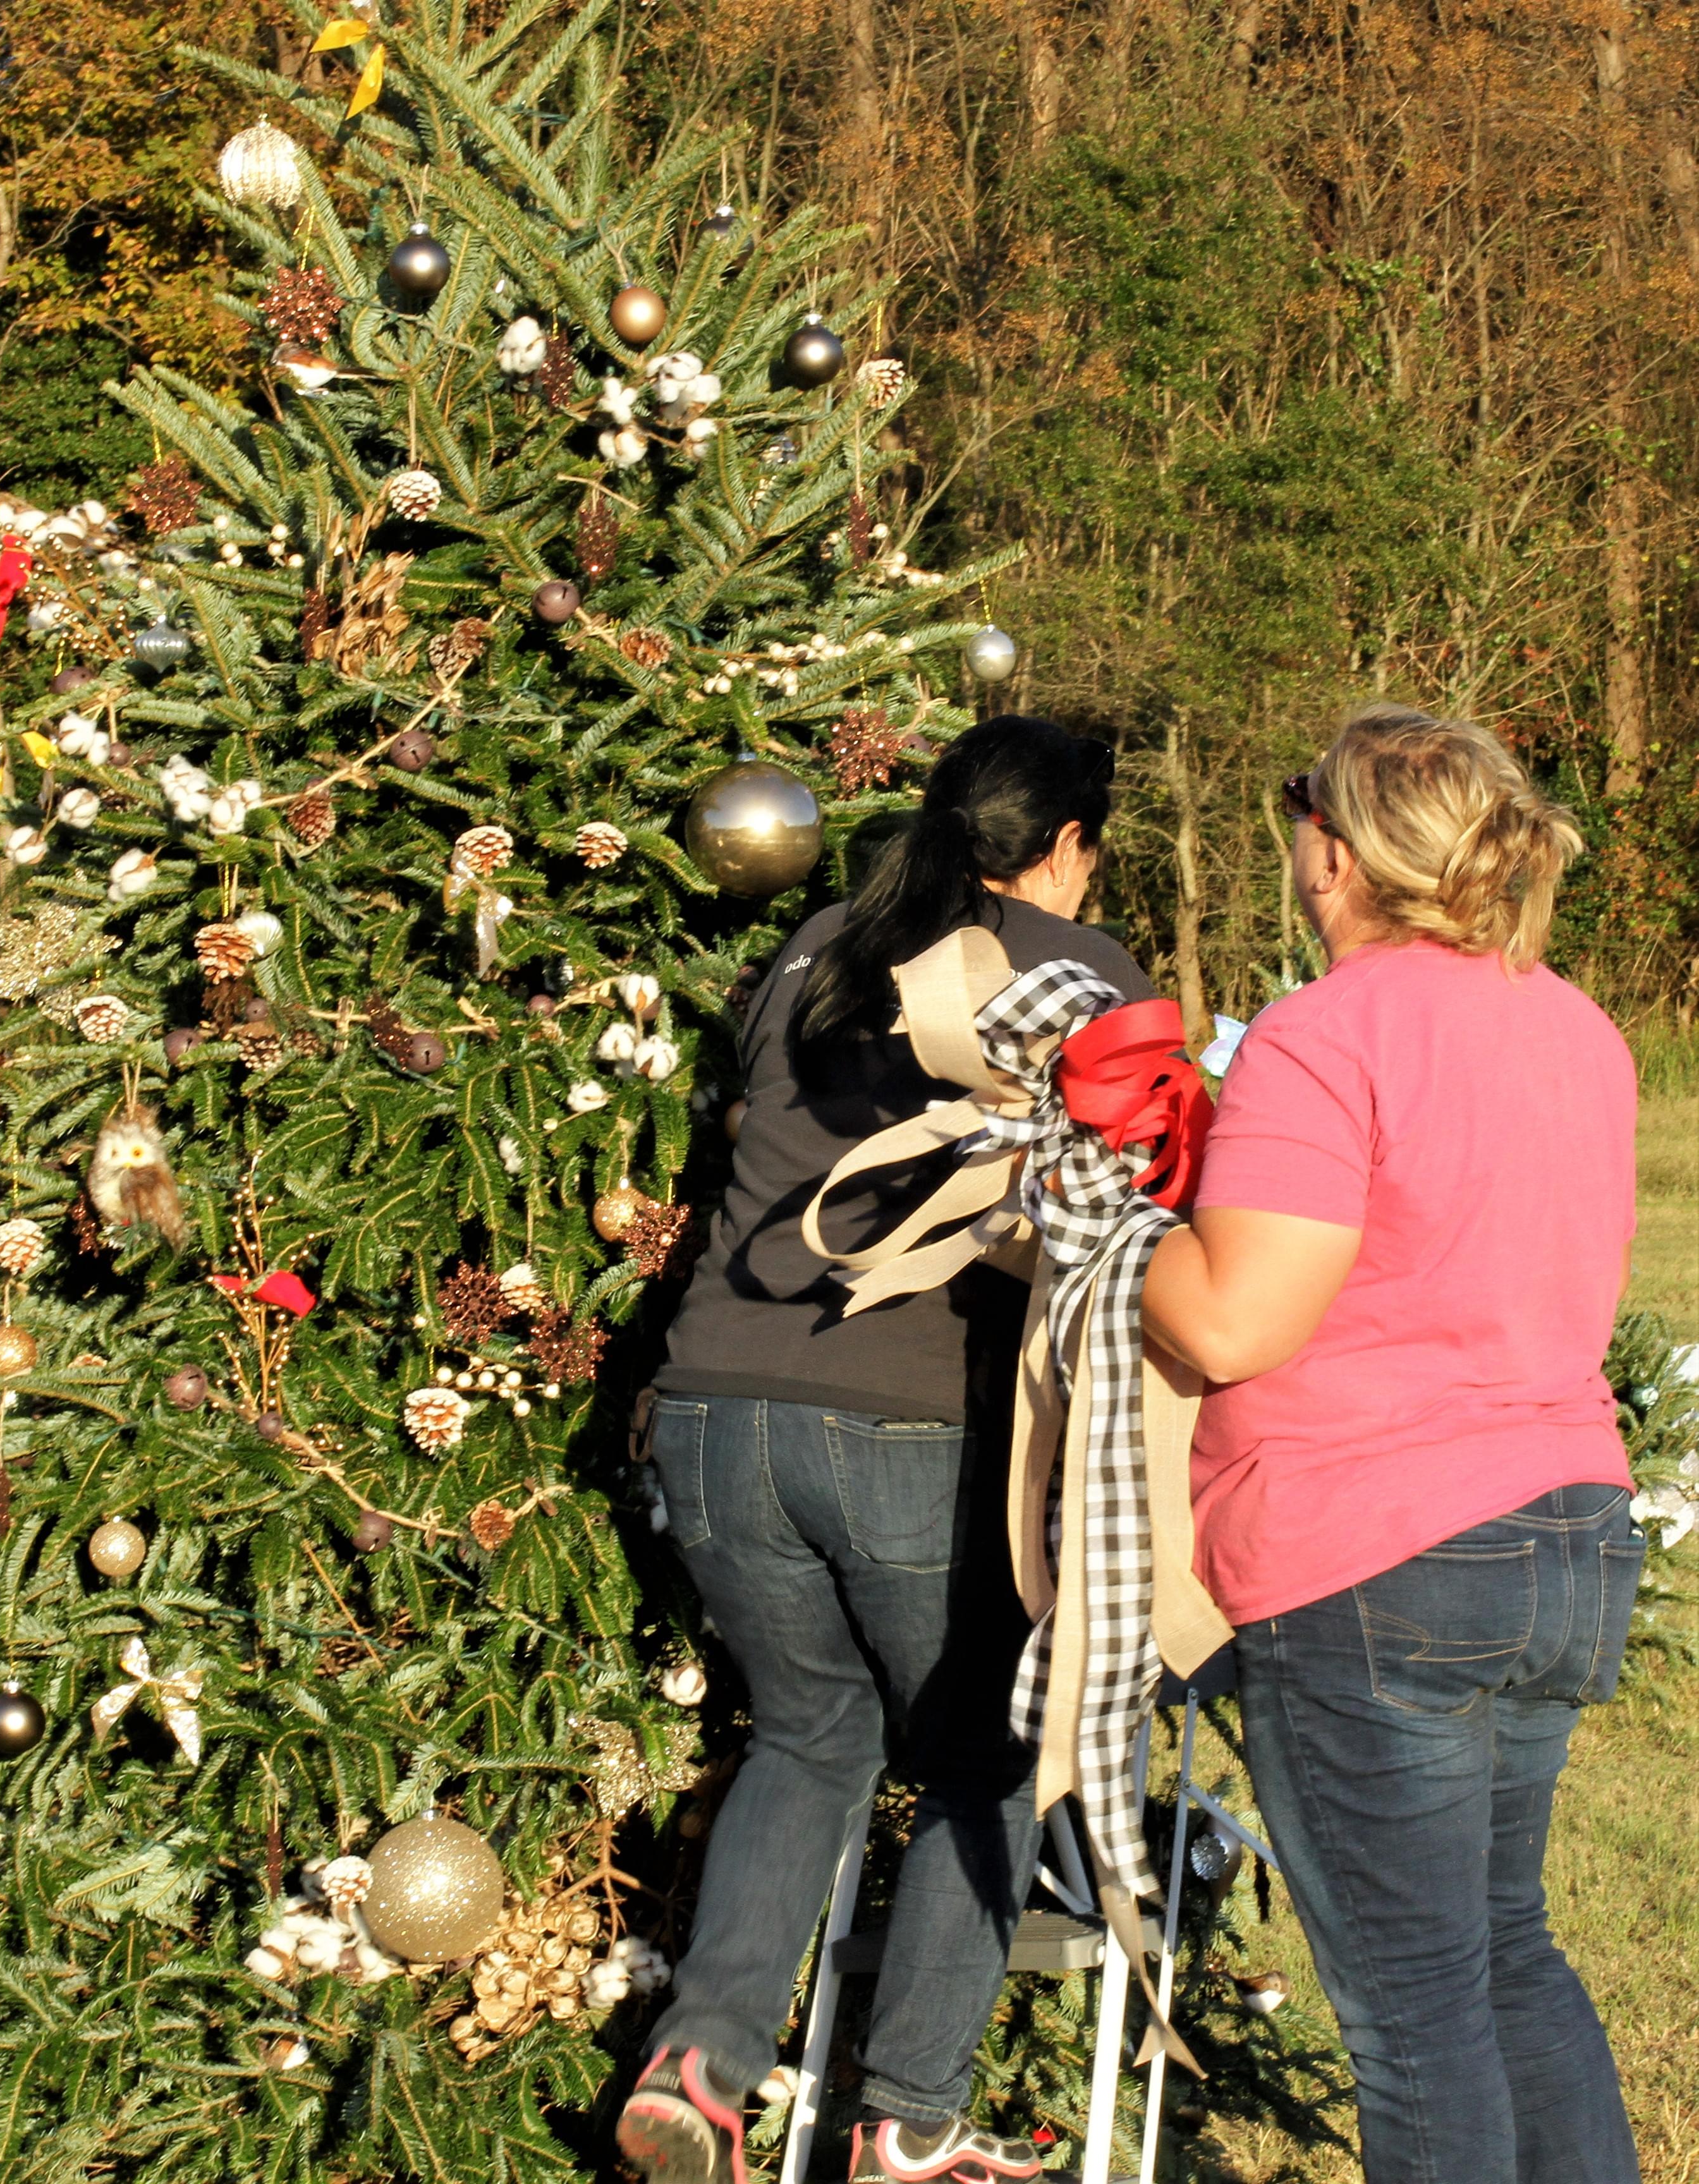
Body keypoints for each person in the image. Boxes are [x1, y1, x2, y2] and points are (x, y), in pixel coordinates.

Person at [617, 718, 1152, 2184]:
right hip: (905, 1418)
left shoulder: (815, 943)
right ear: (1063, 847)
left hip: (716, 1403)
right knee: (987, 1761)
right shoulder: (1073, 968)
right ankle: (909, 2119)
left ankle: (702, 2064)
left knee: (810, 1733)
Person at [1142, 705, 1643, 2184]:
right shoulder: (1577, 1026)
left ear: (1332, 856)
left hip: (1380, 1553)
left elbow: (1235, 1324)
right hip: (1561, 1524)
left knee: (1414, 2009)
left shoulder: (1323, 1034)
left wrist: (1102, 1229)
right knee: (1503, 1952)